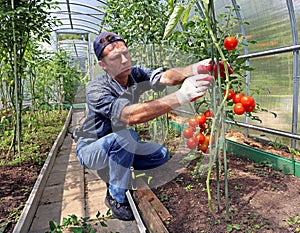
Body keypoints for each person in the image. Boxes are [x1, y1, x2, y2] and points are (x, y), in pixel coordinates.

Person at [74, 31, 214, 221]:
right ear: (103, 65)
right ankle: (116, 196)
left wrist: (198, 68)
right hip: (92, 149)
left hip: (119, 144)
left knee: (161, 154)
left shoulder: (135, 74)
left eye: (126, 53)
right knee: (127, 137)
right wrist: (180, 97)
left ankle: (117, 168)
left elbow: (165, 77)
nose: (124, 60)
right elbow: (129, 116)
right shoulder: (96, 89)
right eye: (116, 57)